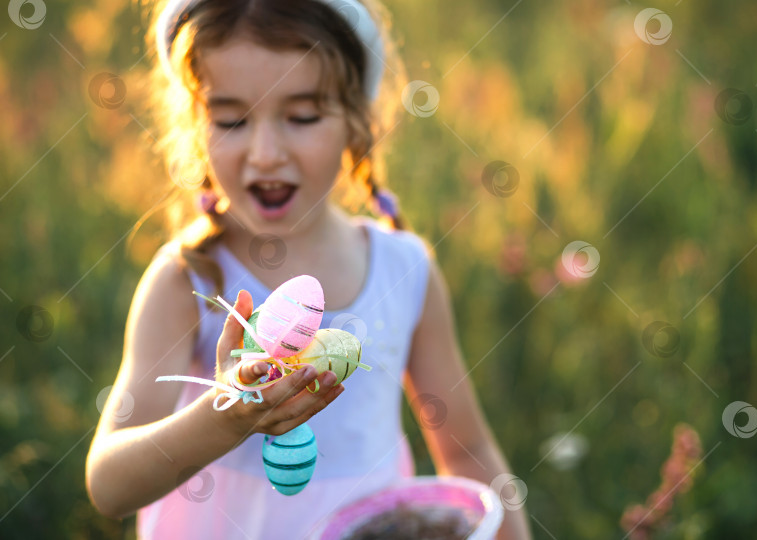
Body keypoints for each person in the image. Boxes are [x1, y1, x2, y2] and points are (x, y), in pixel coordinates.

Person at [85, 1, 531, 538]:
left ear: (356, 123)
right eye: (231, 119)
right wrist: (225, 416)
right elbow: (109, 485)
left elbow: (469, 451)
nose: (266, 153)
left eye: (301, 117)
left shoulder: (404, 269)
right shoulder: (191, 281)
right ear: (194, 125)